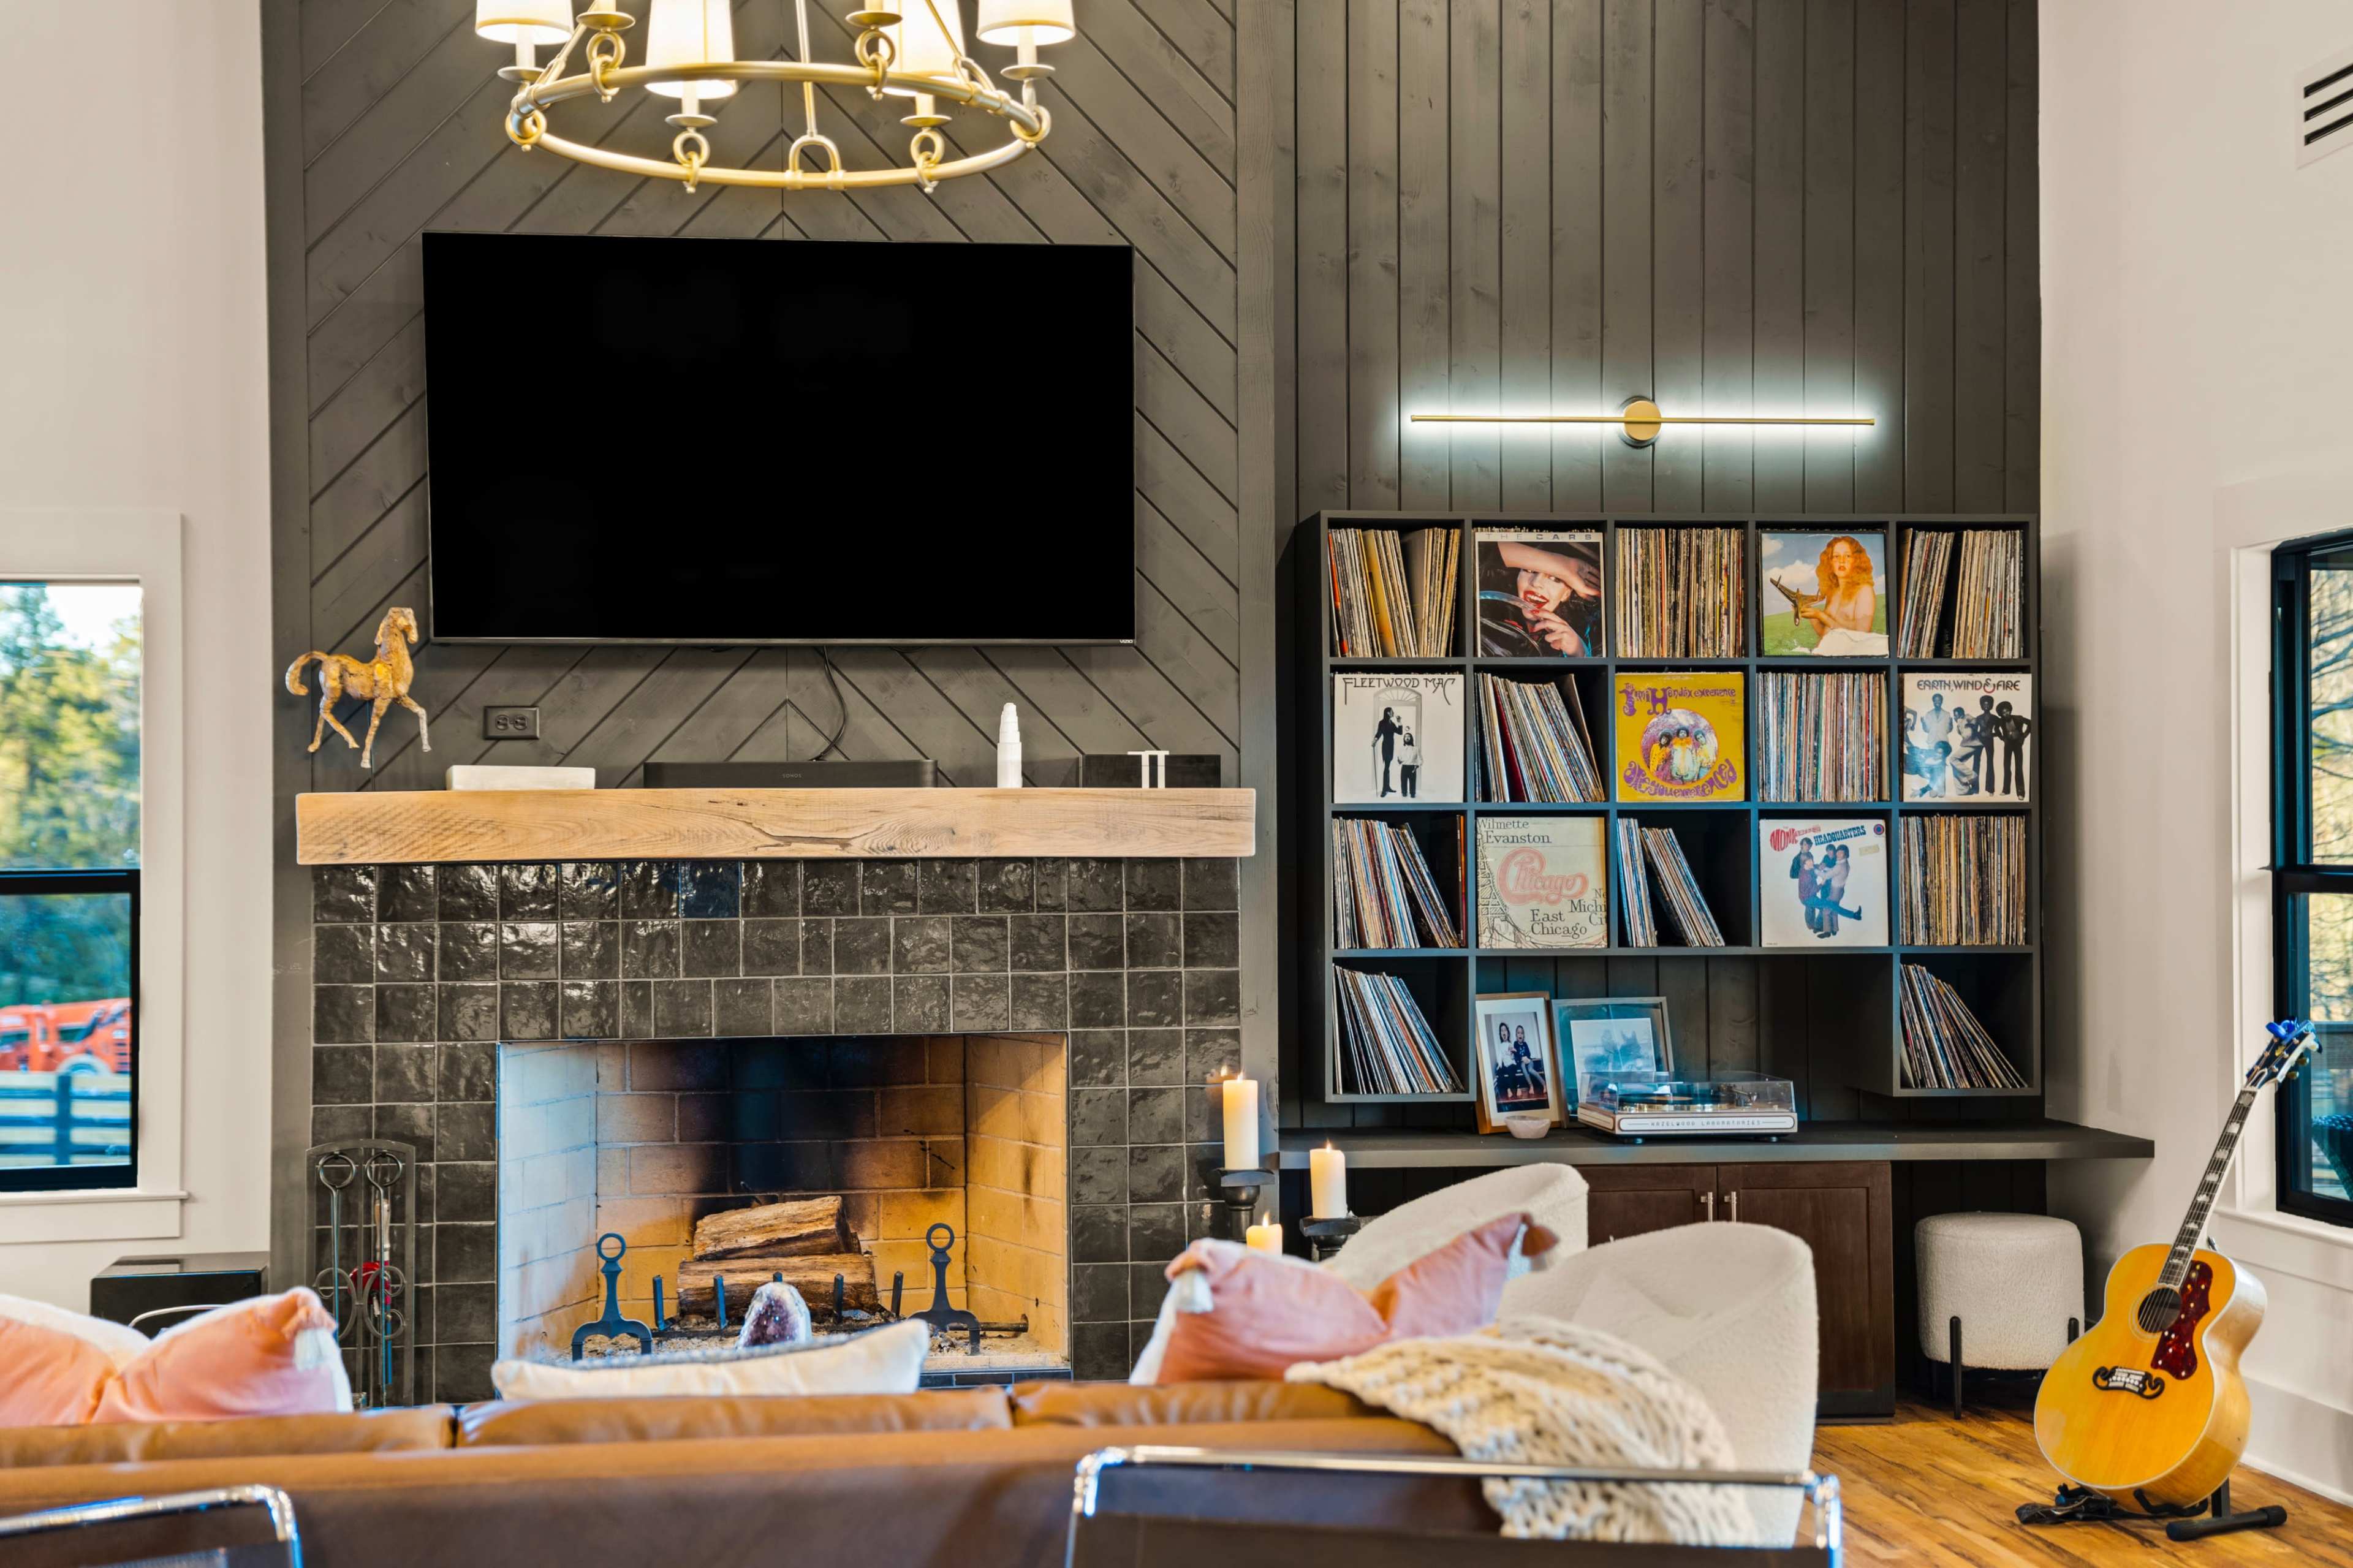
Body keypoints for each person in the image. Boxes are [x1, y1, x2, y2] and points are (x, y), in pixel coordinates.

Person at [1479, 538, 1601, 655]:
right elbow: (1480, 551)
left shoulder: (1586, 635)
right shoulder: (1485, 611)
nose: (1536, 583)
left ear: (1566, 594)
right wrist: (1564, 567)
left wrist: (1579, 653)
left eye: (1555, 579)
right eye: (1530, 571)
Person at [1784, 535, 1887, 656]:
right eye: (1836, 556)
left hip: (1845, 661)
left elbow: (1862, 635)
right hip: (1821, 657)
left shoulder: (1865, 591)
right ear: (1830, 562)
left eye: (1848, 556)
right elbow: (1826, 634)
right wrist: (1811, 614)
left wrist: (1821, 616)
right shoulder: (1833, 593)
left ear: (1857, 561)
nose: (1842, 561)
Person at [1993, 700, 2033, 796]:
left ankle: (2021, 793)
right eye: (2003, 713)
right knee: (2007, 767)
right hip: (2008, 745)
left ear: (2010, 710)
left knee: (2019, 767)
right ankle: (2006, 790)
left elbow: (2031, 723)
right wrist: (2002, 738)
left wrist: (2024, 736)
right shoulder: (2001, 721)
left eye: (2007, 711)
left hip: (2018, 744)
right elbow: (1996, 729)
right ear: (2001, 714)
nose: (2006, 714)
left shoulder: (2018, 718)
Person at [1373, 706, 1400, 797]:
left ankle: (1387, 787)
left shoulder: (1392, 723)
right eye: (1392, 711)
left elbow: (1400, 732)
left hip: (1391, 746)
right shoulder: (1382, 723)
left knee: (1387, 768)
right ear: (1388, 713)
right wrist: (1375, 741)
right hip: (1386, 747)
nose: (1393, 713)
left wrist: (1399, 722)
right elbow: (1379, 733)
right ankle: (1385, 789)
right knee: (1386, 768)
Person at [1396, 725, 1421, 798]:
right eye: (1406, 737)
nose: (1407, 738)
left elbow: (1420, 759)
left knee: (1413, 782)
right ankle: (1404, 792)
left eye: (1409, 736)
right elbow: (1400, 759)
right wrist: (1399, 761)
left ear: (1411, 738)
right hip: (1404, 767)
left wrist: (1417, 766)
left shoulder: (1416, 749)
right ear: (1404, 739)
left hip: (1412, 768)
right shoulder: (1402, 748)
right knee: (1403, 781)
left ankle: (1413, 793)